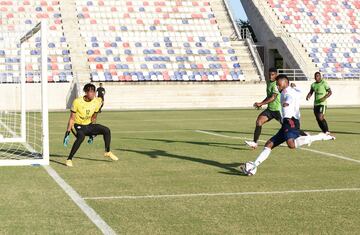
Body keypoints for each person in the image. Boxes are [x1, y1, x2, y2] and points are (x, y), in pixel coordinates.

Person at [242, 74, 335, 174]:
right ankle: (254, 165)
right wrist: (294, 87)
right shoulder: (292, 90)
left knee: (291, 144)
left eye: (278, 84)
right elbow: (299, 92)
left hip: (290, 120)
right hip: (288, 122)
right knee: (269, 144)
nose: (277, 86)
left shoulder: (286, 92)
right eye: (276, 85)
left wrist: (287, 103)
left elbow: (289, 98)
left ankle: (320, 136)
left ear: (285, 83)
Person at [63, 83, 118, 167]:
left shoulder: (96, 102)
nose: (92, 94)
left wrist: (92, 133)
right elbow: (72, 119)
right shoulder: (77, 101)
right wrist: (67, 133)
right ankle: (69, 159)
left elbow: (94, 117)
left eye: (94, 92)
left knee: (106, 130)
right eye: (90, 92)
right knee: (81, 137)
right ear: (85, 92)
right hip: (77, 125)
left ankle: (107, 152)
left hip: (88, 125)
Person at [245, 68, 282, 149]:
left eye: (272, 75)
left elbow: (273, 98)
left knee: (288, 127)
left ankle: (305, 136)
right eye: (269, 74)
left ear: (276, 75)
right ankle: (254, 143)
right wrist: (261, 103)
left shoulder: (276, 84)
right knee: (259, 122)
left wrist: (261, 103)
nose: (270, 76)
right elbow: (269, 97)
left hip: (278, 110)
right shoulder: (269, 83)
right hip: (270, 110)